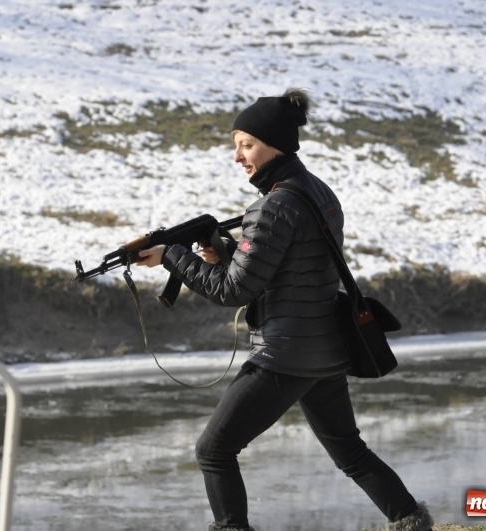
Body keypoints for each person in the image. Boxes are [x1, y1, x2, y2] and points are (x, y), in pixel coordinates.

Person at [136, 88, 433, 531]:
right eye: (236, 145)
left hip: (285, 354)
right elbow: (289, 263)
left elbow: (234, 290)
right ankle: (410, 521)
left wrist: (173, 257)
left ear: (275, 143)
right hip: (326, 349)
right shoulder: (317, 192)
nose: (238, 156)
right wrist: (226, 250)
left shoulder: (272, 205)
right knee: (350, 452)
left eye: (246, 144)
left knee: (213, 451)